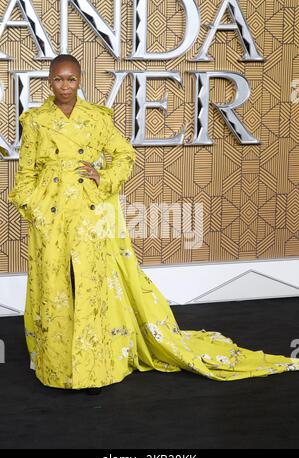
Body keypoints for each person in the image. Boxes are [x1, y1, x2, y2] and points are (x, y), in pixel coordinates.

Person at [8, 54, 299, 395]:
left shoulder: (97, 118)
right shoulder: (36, 120)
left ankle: (93, 368)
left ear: (80, 80)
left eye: (71, 79)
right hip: (52, 217)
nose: (65, 86)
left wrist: (104, 177)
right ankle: (58, 367)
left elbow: (124, 154)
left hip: (91, 214)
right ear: (49, 80)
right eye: (58, 79)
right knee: (56, 287)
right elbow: (25, 173)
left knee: (91, 286)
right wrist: (35, 208)